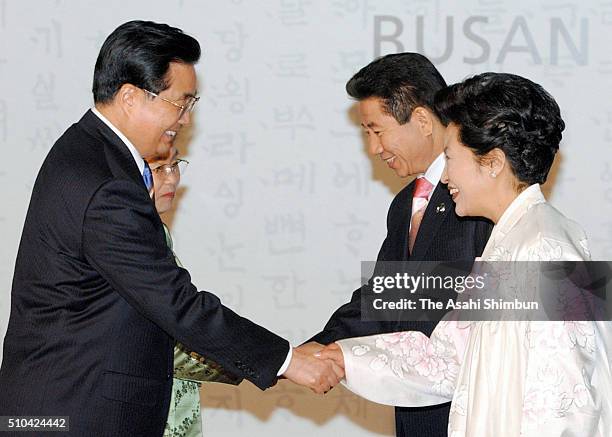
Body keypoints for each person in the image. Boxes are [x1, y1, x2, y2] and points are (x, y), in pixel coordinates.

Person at [0, 20, 340, 436]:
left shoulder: (88, 152)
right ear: (130, 97)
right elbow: (175, 302)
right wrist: (288, 360)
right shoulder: (107, 183)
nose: (184, 120)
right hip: (77, 409)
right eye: (181, 103)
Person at [319, 73, 612, 436]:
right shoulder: (513, 240)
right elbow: (450, 357)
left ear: (492, 162)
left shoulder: (545, 247)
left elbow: (567, 405)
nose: (443, 177)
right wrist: (341, 358)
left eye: (450, 157)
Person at [300, 53, 492, 436]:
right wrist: (310, 352)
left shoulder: (480, 195)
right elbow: (386, 297)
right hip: (414, 415)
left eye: (376, 130)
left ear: (421, 120)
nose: (374, 148)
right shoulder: (406, 202)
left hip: (468, 416)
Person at [146, 148, 241, 437]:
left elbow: (380, 306)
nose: (172, 179)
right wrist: (279, 362)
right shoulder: (127, 237)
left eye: (174, 166)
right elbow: (165, 340)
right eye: (159, 168)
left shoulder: (156, 232)